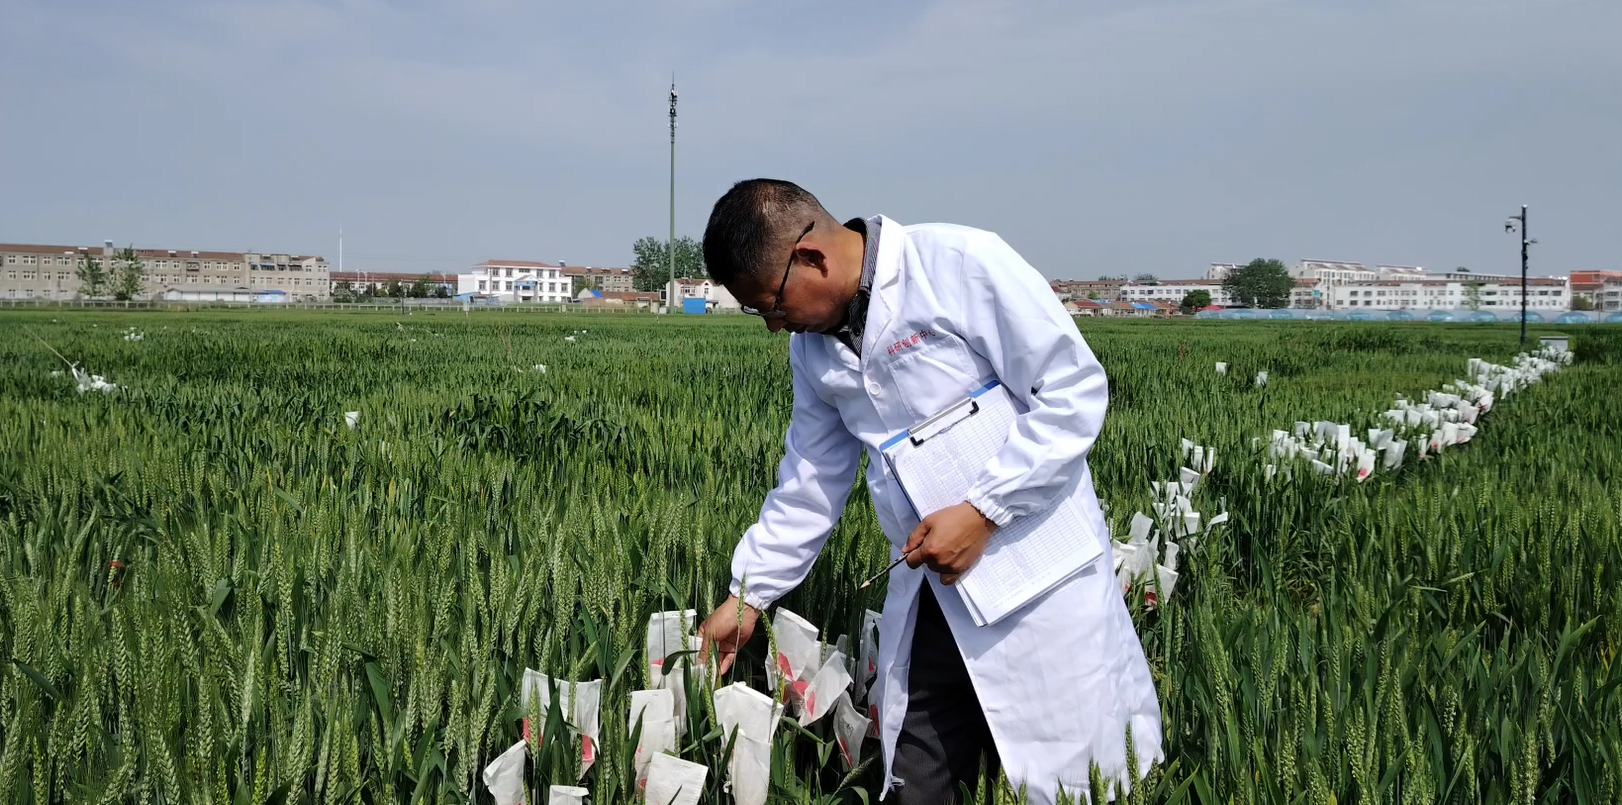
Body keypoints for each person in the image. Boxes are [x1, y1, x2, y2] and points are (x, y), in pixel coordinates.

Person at [695, 179, 1161, 804]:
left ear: (811, 257)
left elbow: (1071, 391)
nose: (776, 326)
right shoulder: (814, 352)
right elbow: (810, 478)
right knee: (917, 781)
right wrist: (749, 593)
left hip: (1038, 580)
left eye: (771, 305)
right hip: (932, 588)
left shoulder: (959, 266)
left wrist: (983, 511)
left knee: (1069, 781)